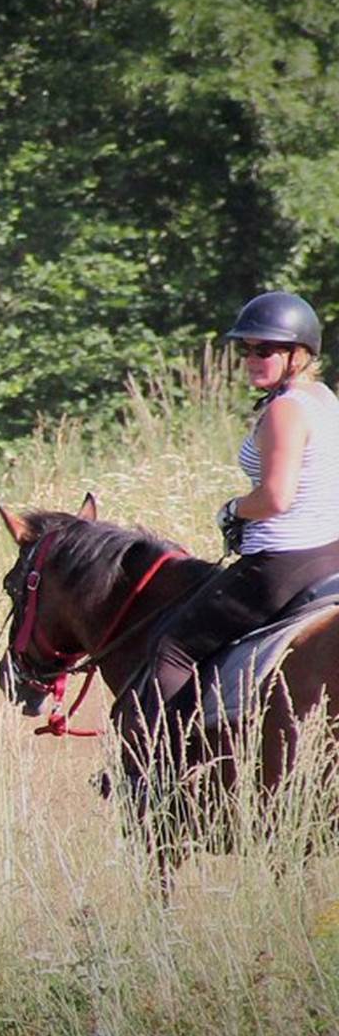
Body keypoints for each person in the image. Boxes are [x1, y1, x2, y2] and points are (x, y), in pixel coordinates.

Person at [122, 291, 339, 736]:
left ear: (299, 354)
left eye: (266, 350)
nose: (252, 359)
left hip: (281, 562)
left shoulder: (285, 410)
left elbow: (276, 498)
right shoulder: (322, 398)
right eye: (246, 350)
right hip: (328, 554)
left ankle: (158, 771)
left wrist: (233, 509)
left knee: (171, 648)